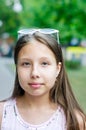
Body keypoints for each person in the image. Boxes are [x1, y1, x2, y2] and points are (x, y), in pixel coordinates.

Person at [0, 28, 86, 130]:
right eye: (26, 64)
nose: (35, 73)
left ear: (58, 69)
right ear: (17, 67)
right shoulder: (2, 114)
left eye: (44, 63)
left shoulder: (74, 121)